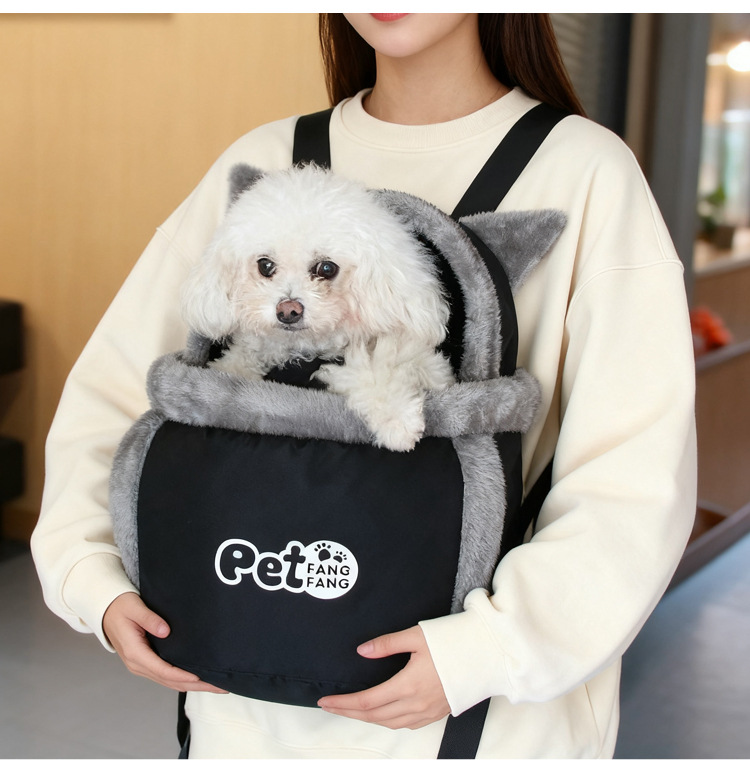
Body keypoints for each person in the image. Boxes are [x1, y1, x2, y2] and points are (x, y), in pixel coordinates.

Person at [31, 13, 697, 759]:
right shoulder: (266, 162)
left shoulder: (585, 172)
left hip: (485, 728)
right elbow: (113, 398)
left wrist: (486, 649)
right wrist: (93, 579)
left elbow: (634, 475)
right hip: (243, 719)